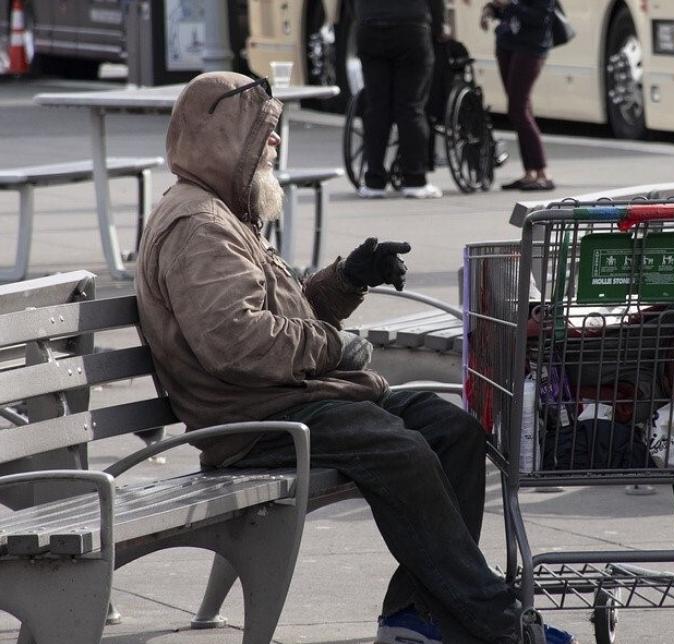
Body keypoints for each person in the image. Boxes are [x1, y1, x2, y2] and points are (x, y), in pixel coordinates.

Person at [134, 72, 577, 644]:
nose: (274, 145)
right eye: (264, 133)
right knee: (402, 450)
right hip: (250, 419)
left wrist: (348, 279)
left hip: (287, 397)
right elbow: (239, 343)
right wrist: (335, 346)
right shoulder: (199, 226)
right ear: (223, 137)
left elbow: (280, 315)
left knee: (453, 429)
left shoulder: (222, 214)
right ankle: (498, 623)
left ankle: (415, 613)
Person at [356, 0, 444, 199]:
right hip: (411, 27)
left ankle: (374, 181)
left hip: (369, 26)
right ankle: (414, 180)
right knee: (411, 107)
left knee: (377, 107)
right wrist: (438, 26)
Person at [473, 0, 555, 191]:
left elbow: (540, 17)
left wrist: (510, 4)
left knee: (517, 108)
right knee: (520, 108)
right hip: (507, 43)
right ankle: (530, 172)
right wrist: (489, 11)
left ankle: (543, 171)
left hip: (531, 47)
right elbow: (502, 9)